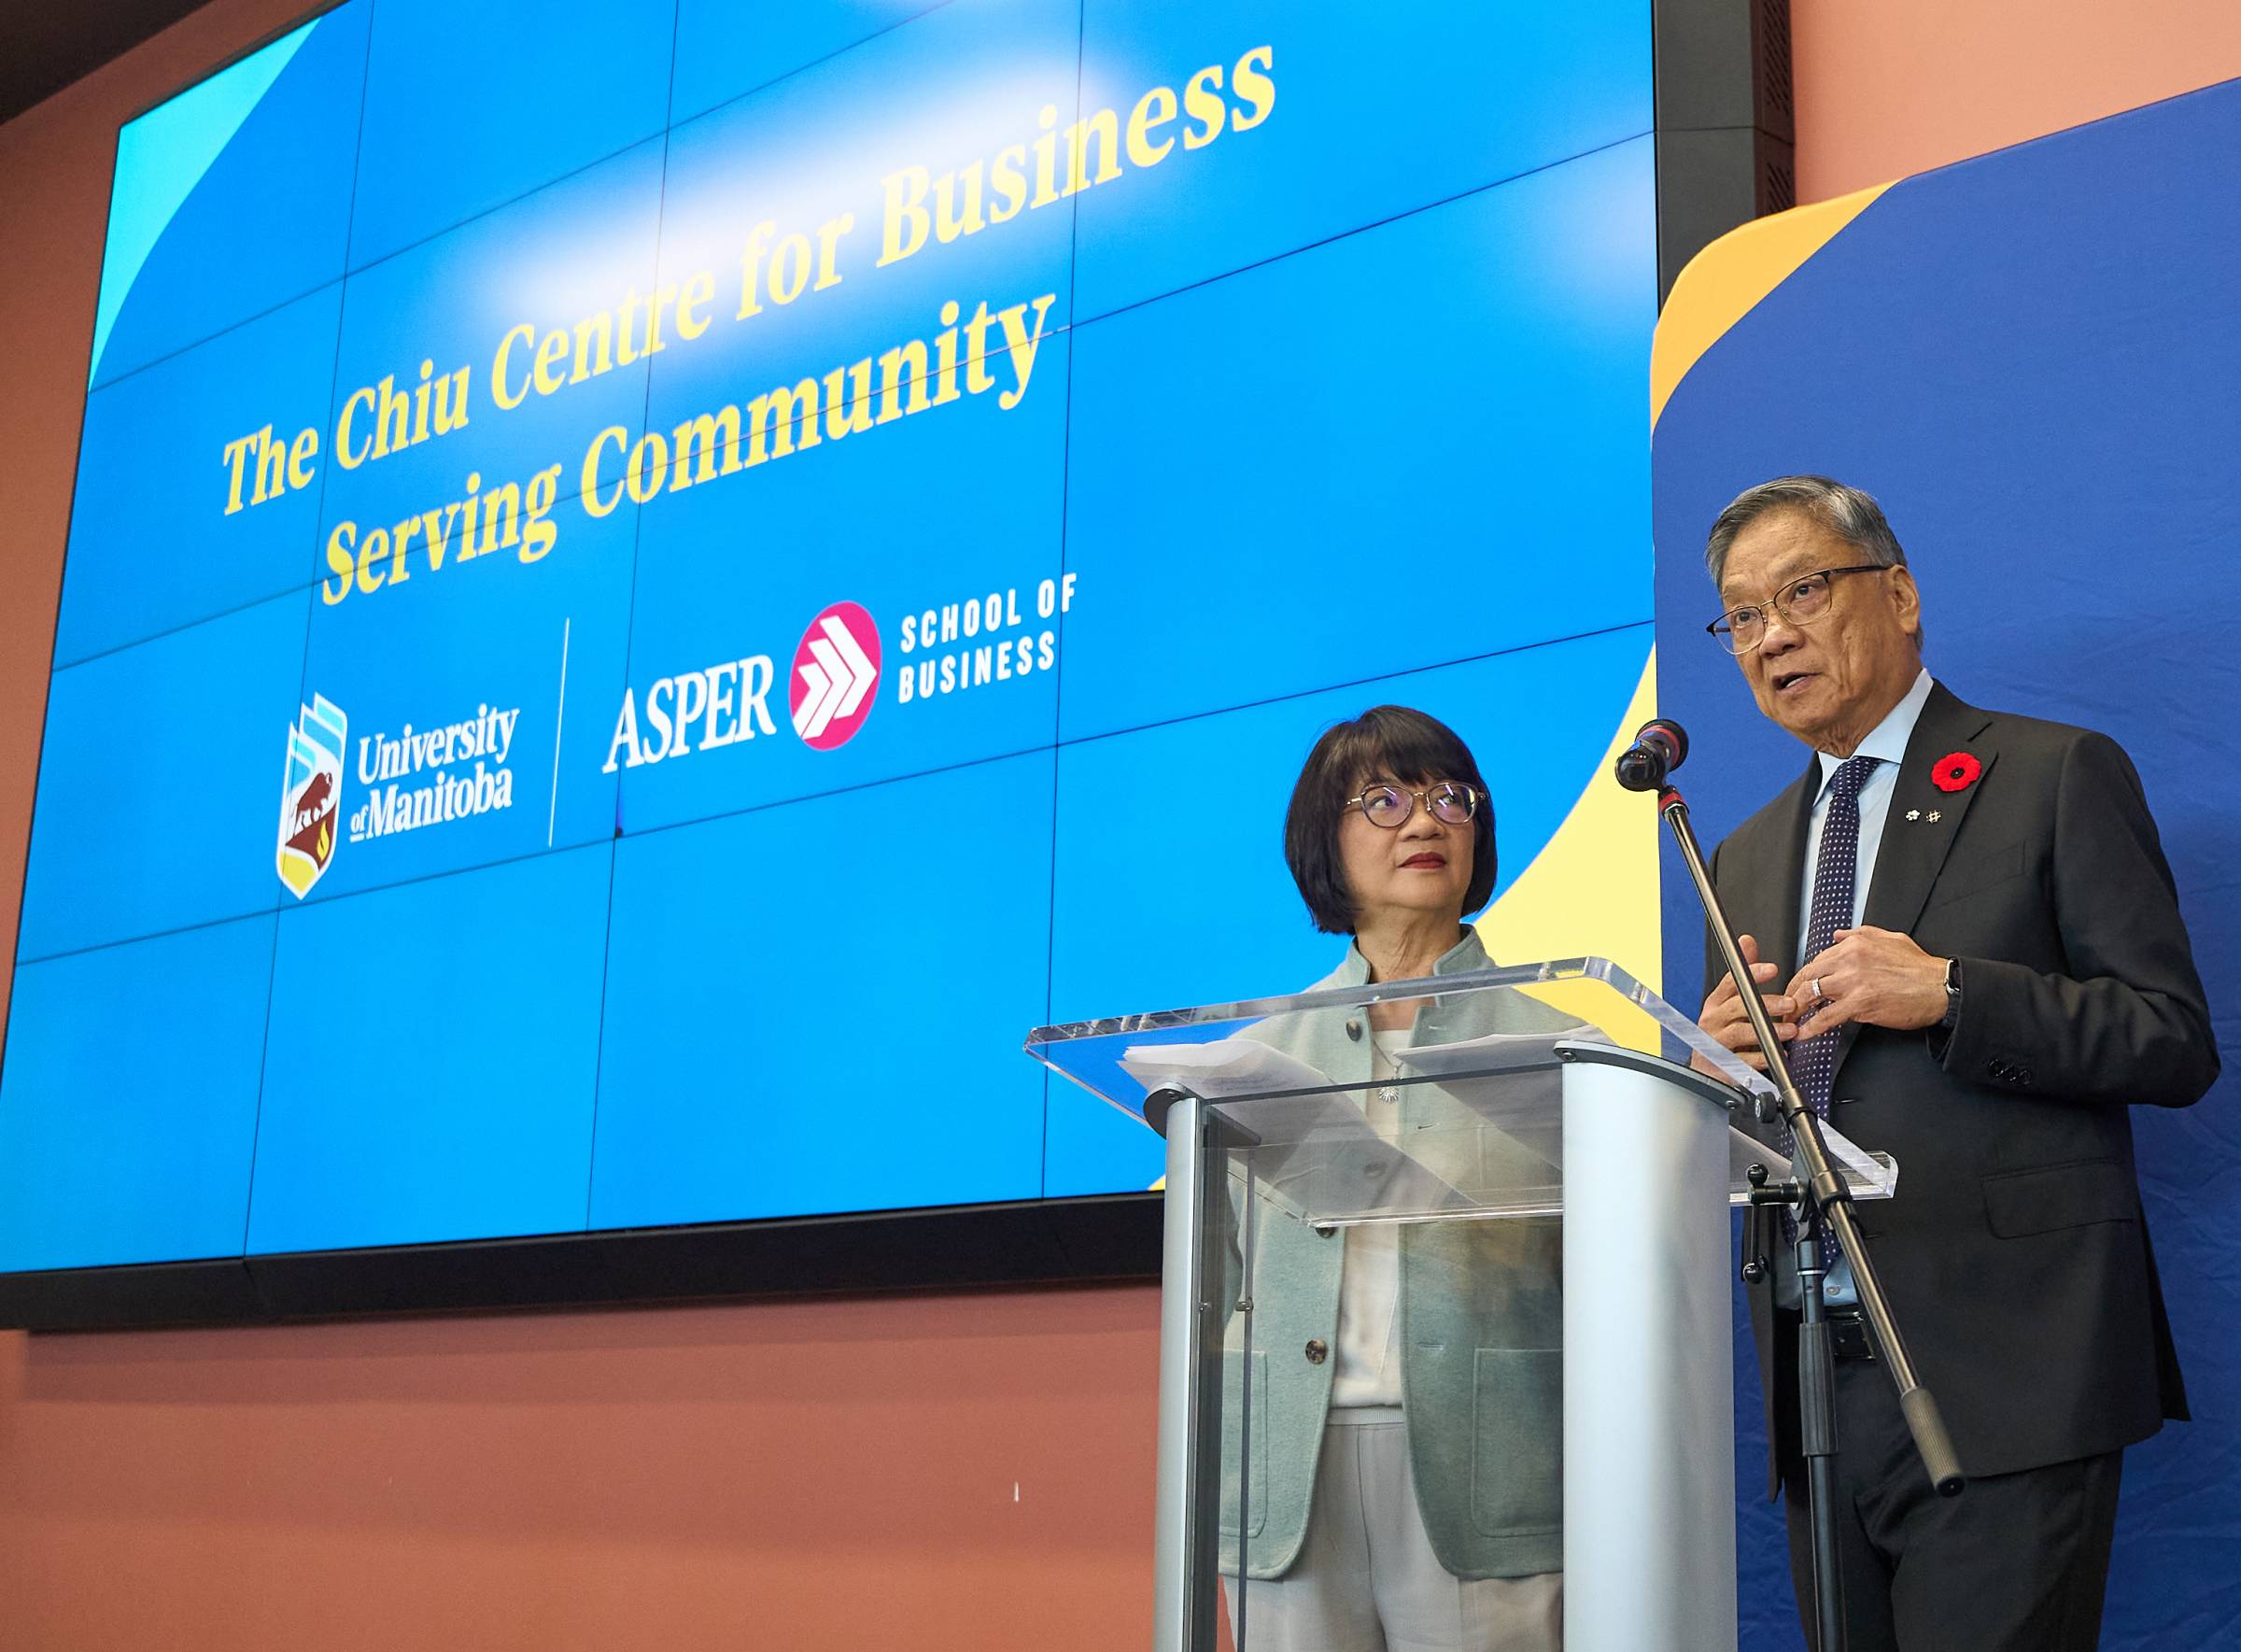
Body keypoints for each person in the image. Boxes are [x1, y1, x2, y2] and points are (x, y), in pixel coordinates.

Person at [1692, 476, 2217, 1651]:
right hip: (1818, 1374)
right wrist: (1723, 1071)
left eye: (1803, 590)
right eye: (1741, 616)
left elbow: (2171, 1037)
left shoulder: (2053, 773)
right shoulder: (1742, 849)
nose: (1772, 634)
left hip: (2007, 1368)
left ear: (1902, 593)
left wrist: (1952, 993)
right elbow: (1760, 1120)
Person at [1220, 704, 1565, 1652]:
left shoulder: (1562, 1051)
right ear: (1323, 841)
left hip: (1491, 1473)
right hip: (1288, 1477)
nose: (1424, 821)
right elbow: (1219, 1290)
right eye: (1383, 799)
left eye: (1450, 796)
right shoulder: (1250, 1061)